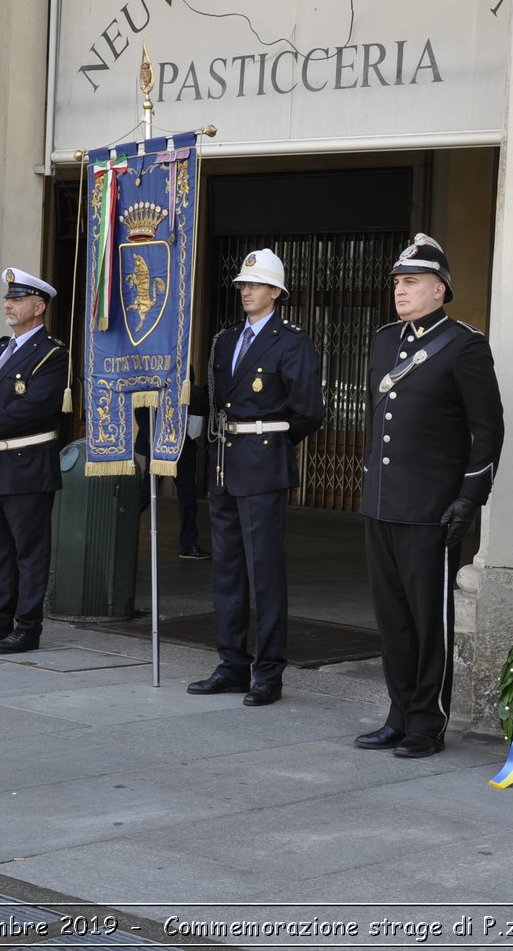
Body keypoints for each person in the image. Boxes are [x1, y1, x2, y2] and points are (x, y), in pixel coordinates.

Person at [355, 234, 504, 759]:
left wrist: (470, 497)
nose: (401, 290)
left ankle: (427, 721)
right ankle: (398, 712)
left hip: (430, 509)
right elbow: (379, 425)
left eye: (412, 282)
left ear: (439, 290)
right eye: (398, 282)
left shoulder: (463, 346)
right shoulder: (382, 341)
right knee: (392, 617)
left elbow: (488, 431)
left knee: (427, 619)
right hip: (382, 504)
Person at [187, 249, 324, 707]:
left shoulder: (291, 342)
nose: (246, 290)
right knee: (227, 569)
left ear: (276, 292)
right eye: (243, 284)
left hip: (263, 461)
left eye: (256, 284)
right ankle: (231, 663)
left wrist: (271, 443)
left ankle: (268, 672)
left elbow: (307, 412)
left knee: (263, 570)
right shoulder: (226, 340)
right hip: (225, 460)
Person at [0, 268, 69, 654]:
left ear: (38, 308)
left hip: (27, 465)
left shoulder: (53, 354)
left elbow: (34, 408)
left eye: (17, 300)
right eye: (9, 298)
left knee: (29, 553)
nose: (8, 304)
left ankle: (27, 626)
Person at [176, 367, 209, 560]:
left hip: (184, 448)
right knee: (145, 492)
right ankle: (116, 525)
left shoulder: (194, 392)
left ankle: (189, 545)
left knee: (188, 497)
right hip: (160, 446)